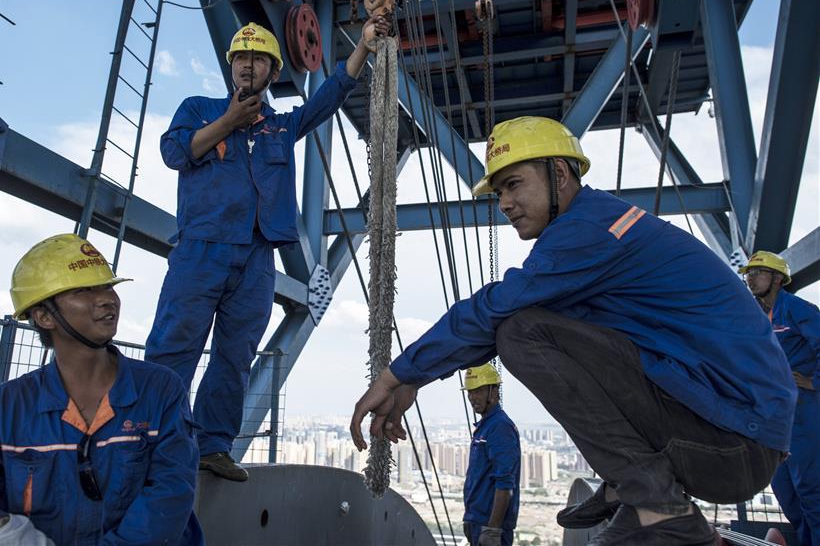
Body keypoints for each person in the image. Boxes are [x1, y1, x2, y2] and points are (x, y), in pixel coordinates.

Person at [350, 116, 796, 545]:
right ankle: (636, 490)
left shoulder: (588, 230)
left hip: (735, 444)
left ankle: (657, 504)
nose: (504, 203)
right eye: (499, 191)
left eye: (513, 184)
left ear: (559, 173)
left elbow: (495, 309)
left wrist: (398, 375)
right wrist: (415, 376)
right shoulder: (599, 228)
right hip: (731, 433)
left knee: (520, 332)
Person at [146, 15, 389, 482]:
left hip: (257, 256)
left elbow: (329, 98)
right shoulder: (198, 108)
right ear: (231, 65)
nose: (247, 64)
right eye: (241, 57)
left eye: (258, 58)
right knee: (174, 347)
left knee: (235, 356)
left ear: (272, 72)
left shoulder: (279, 127)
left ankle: (213, 447)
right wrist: (228, 122)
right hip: (201, 250)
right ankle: (155, 442)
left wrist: (363, 47)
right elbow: (175, 153)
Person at [0, 234, 203, 545]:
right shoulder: (4, 407)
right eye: (84, 290)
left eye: (107, 286)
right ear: (44, 316)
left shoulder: (158, 389)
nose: (107, 298)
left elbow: (170, 491)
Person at [741, 251, 820, 546]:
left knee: (812, 490)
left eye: (757, 273)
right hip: (773, 415)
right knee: (786, 493)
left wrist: (815, 382)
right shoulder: (755, 316)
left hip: (805, 411)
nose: (750, 278)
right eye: (748, 273)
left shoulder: (798, 309)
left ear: (776, 278)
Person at [461, 364, 520, 546]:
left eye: (478, 391)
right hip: (477, 522)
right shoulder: (485, 427)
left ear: (494, 391)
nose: (472, 397)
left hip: (490, 527)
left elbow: (504, 483)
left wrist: (493, 530)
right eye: (470, 392)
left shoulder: (499, 427)